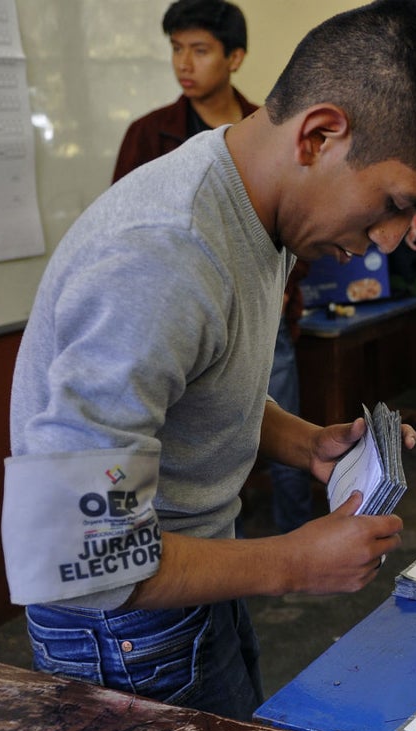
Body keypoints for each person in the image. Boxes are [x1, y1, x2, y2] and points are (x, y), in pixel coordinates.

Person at [1, 0, 416, 720]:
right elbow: (73, 555)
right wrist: (295, 561)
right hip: (123, 627)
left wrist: (308, 444)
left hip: (195, 580)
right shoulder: (162, 253)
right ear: (321, 135)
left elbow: (193, 380)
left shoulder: (254, 206)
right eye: (393, 204)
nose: (390, 242)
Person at [113, 0, 313, 535]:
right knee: (202, 452)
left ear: (235, 57)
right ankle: (233, 558)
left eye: (199, 50)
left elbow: (294, 222)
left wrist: (287, 293)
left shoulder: (268, 128)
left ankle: (301, 540)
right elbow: (127, 242)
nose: (184, 63)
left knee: (282, 433)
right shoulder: (149, 135)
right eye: (177, 49)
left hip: (264, 319)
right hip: (187, 328)